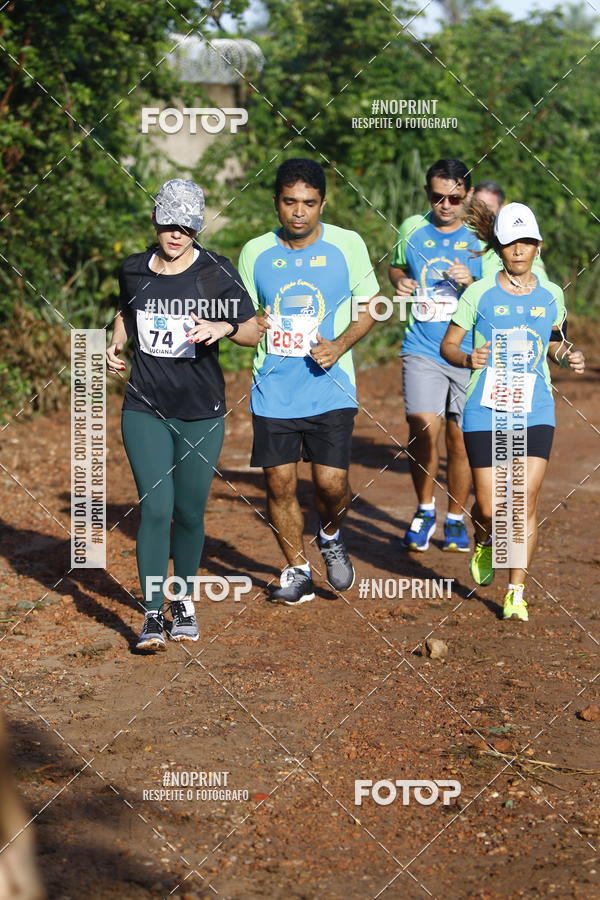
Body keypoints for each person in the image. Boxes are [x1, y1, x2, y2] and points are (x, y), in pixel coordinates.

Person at [106, 178, 264, 651]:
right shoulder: (133, 270)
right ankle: (153, 614)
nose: (176, 234)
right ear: (156, 220)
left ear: (196, 227)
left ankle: (183, 601)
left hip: (200, 410)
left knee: (190, 512)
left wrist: (224, 326)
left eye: (186, 227)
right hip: (145, 407)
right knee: (156, 508)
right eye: (169, 224)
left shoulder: (216, 271)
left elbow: (255, 329)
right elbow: (124, 313)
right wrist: (115, 344)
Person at [238, 158, 379, 605]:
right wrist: (251, 325)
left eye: (309, 203)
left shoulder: (347, 244)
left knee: (331, 484)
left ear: (323, 203)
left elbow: (370, 305)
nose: (299, 212)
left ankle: (331, 533)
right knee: (279, 484)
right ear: (276, 202)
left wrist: (339, 345)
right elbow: (243, 326)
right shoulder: (254, 252)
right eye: (289, 202)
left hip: (329, 386)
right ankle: (296, 571)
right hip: (273, 390)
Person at [440, 201, 584, 620]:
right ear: (498, 248)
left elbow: (555, 340)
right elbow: (448, 345)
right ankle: (484, 538)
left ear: (538, 246)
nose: (518, 250)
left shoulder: (552, 293)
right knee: (489, 507)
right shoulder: (478, 293)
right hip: (485, 408)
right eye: (509, 243)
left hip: (534, 408)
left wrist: (566, 355)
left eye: (526, 242)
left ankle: (515, 592)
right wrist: (469, 359)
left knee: (522, 500)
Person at [388, 158, 483, 553]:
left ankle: (456, 518)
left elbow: (501, 287)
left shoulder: (482, 237)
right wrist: (402, 281)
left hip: (468, 351)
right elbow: (395, 267)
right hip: (422, 347)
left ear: (469, 195)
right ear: (427, 194)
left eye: (454, 198)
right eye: (436, 197)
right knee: (423, 428)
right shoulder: (412, 228)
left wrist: (473, 281)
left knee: (459, 441)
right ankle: (425, 509)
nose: (445, 205)